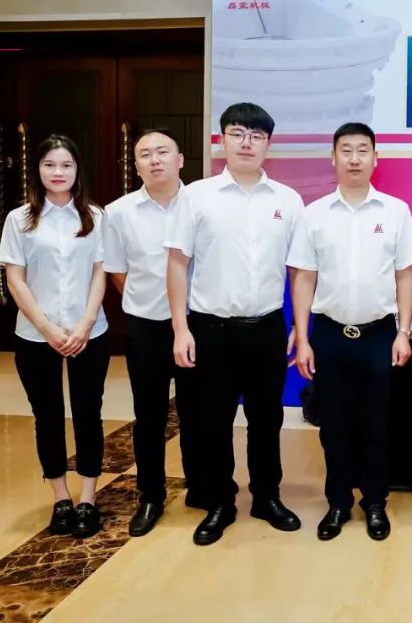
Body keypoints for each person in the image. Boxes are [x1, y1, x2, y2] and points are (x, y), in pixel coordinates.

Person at [165, 102, 304, 546]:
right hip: (211, 329)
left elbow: (300, 271)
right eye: (238, 133)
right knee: (213, 420)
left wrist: (299, 328)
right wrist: (180, 328)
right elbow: (177, 263)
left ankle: (267, 497)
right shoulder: (196, 196)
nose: (247, 143)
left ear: (268, 145)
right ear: (221, 140)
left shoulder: (287, 200)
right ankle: (219, 502)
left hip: (266, 328)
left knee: (267, 419)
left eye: (256, 136)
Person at [287, 122, 412, 542]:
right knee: (334, 425)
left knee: (377, 424)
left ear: (376, 158)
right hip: (329, 335)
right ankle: (338, 502)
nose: (355, 159)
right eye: (346, 150)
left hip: (380, 334)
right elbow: (304, 278)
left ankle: (375, 502)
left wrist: (403, 332)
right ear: (333, 158)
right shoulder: (314, 214)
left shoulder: (395, 211)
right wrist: (303, 337)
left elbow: (404, 276)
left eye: (363, 150)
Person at [0, 134, 109, 539]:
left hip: (88, 333)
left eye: (66, 165)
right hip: (34, 334)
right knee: (46, 416)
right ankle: (61, 497)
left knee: (88, 413)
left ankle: (88, 498)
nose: (58, 172)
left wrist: (85, 323)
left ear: (78, 170)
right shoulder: (20, 219)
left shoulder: (96, 217)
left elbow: (100, 271)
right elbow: (15, 278)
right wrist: (46, 327)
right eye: (49, 164)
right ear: (38, 170)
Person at [103, 128, 204, 536]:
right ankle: (150, 495)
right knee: (149, 415)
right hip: (146, 327)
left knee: (198, 411)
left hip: (197, 325)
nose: (155, 160)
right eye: (145, 154)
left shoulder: (202, 205)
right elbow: (116, 271)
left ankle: (201, 485)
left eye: (163, 152)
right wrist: (147, 304)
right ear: (136, 164)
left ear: (180, 160)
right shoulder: (119, 212)